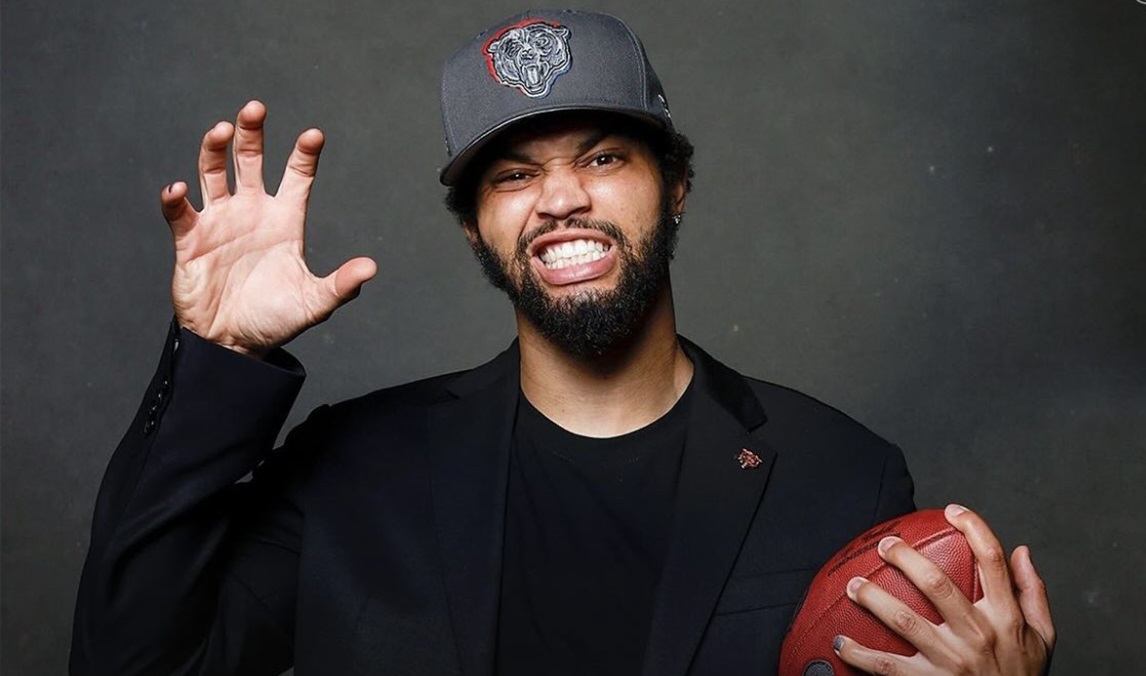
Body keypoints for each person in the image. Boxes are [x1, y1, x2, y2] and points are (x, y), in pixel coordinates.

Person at [70, 9, 1054, 676]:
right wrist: (218, 356)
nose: (560, 198)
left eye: (604, 156)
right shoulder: (353, 468)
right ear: (475, 227)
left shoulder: (840, 473)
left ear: (675, 186)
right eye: (512, 175)